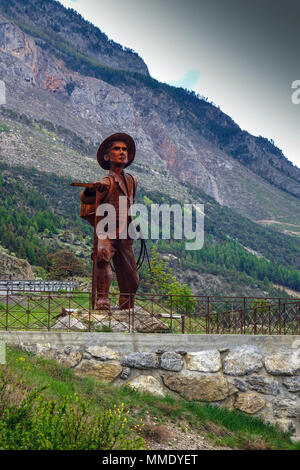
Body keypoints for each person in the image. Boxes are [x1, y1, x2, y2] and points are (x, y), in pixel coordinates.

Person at [79, 133, 139, 311]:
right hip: (106, 228)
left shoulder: (132, 181)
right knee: (102, 255)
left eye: (124, 149)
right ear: (107, 156)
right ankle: (102, 299)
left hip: (126, 231)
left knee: (131, 276)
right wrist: (93, 191)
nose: (121, 152)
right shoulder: (106, 181)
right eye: (116, 149)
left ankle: (126, 301)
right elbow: (86, 197)